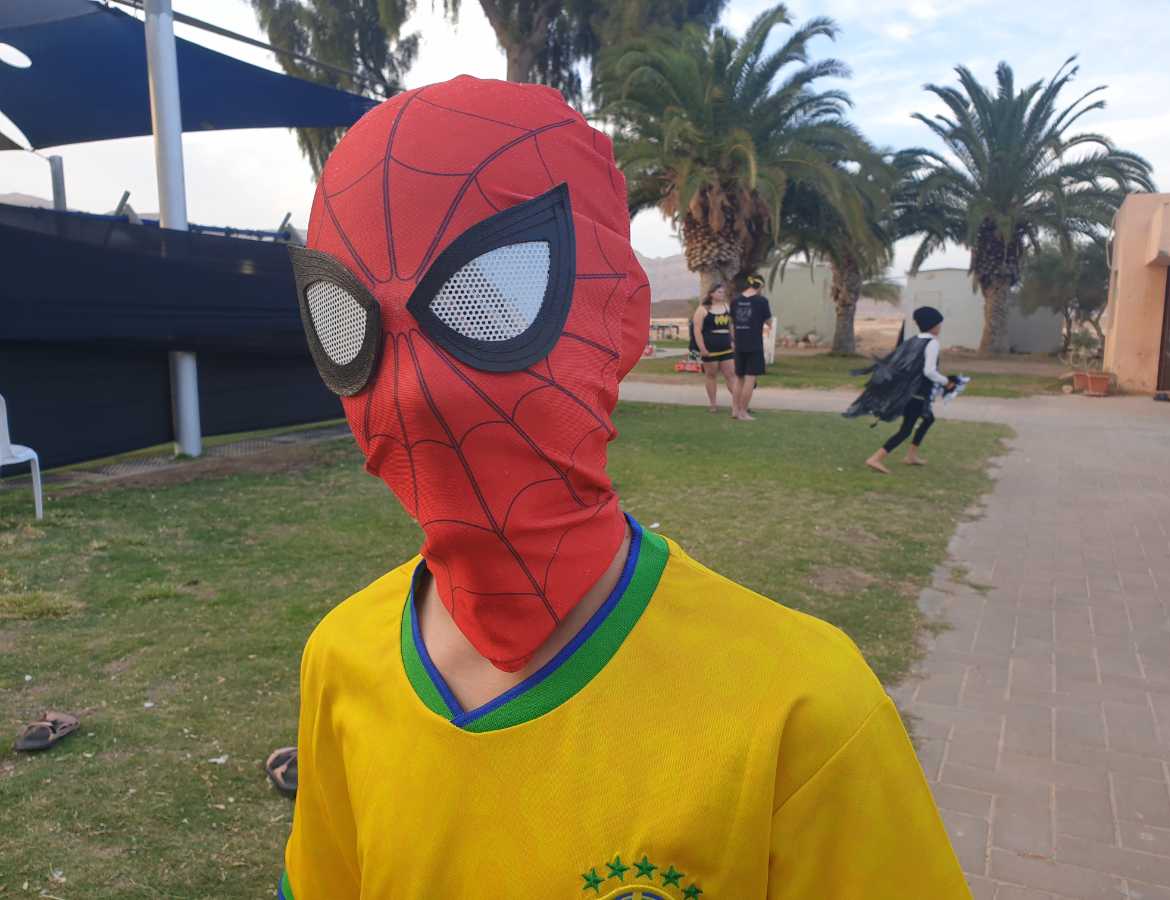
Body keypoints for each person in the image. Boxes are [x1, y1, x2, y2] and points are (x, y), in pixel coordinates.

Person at [277, 76, 970, 899]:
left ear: (616, 310)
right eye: (348, 324)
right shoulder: (340, 659)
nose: (415, 392)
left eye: (486, 302)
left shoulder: (803, 715)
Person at [851, 306, 959, 475]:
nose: (940, 326)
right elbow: (929, 371)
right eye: (938, 323)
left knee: (928, 419)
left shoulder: (913, 340)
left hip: (909, 392)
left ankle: (911, 456)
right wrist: (946, 382)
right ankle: (875, 458)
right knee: (906, 430)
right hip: (917, 393)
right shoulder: (932, 343)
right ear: (932, 324)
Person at [730, 272, 772, 420]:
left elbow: (732, 324)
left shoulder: (735, 301)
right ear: (760, 286)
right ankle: (743, 412)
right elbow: (769, 323)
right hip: (754, 344)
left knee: (739, 378)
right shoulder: (762, 301)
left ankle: (735, 410)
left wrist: (734, 341)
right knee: (750, 379)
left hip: (739, 344)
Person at [691, 283, 737, 413]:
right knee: (711, 375)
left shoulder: (726, 307)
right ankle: (713, 404)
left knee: (731, 375)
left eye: (723, 292)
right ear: (711, 294)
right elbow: (697, 330)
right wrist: (702, 348)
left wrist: (734, 341)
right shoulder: (703, 309)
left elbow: (730, 326)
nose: (722, 294)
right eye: (719, 292)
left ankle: (738, 402)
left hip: (726, 346)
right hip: (710, 348)